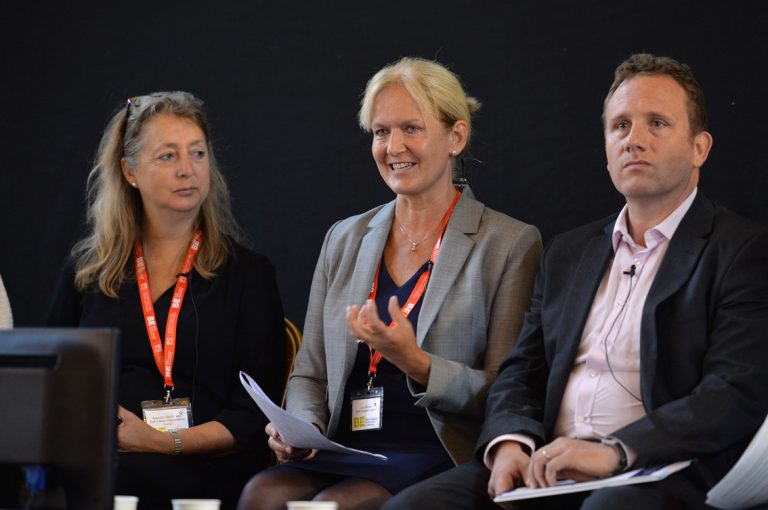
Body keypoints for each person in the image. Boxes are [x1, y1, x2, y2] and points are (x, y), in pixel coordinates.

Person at [386, 53, 768, 510]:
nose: (634, 140)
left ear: (699, 147)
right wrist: (510, 442)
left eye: (658, 123)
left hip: (661, 467)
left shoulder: (743, 250)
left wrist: (614, 452)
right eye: (620, 126)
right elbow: (521, 371)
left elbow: (733, 392)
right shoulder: (570, 252)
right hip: (547, 464)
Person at [236, 57, 542, 510]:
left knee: (340, 505)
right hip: (342, 446)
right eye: (381, 132)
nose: (393, 146)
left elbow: (505, 389)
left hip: (438, 451)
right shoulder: (343, 237)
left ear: (456, 137)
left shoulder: (510, 243)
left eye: (411, 129)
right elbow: (309, 371)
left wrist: (416, 363)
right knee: (261, 493)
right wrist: (303, 428)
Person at [47, 91, 287, 510]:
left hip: (209, 465)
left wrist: (163, 442)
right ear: (130, 172)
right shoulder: (87, 272)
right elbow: (53, 383)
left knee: (123, 483)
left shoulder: (249, 274)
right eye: (168, 156)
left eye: (197, 153)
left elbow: (255, 415)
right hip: (105, 456)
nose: (187, 169)